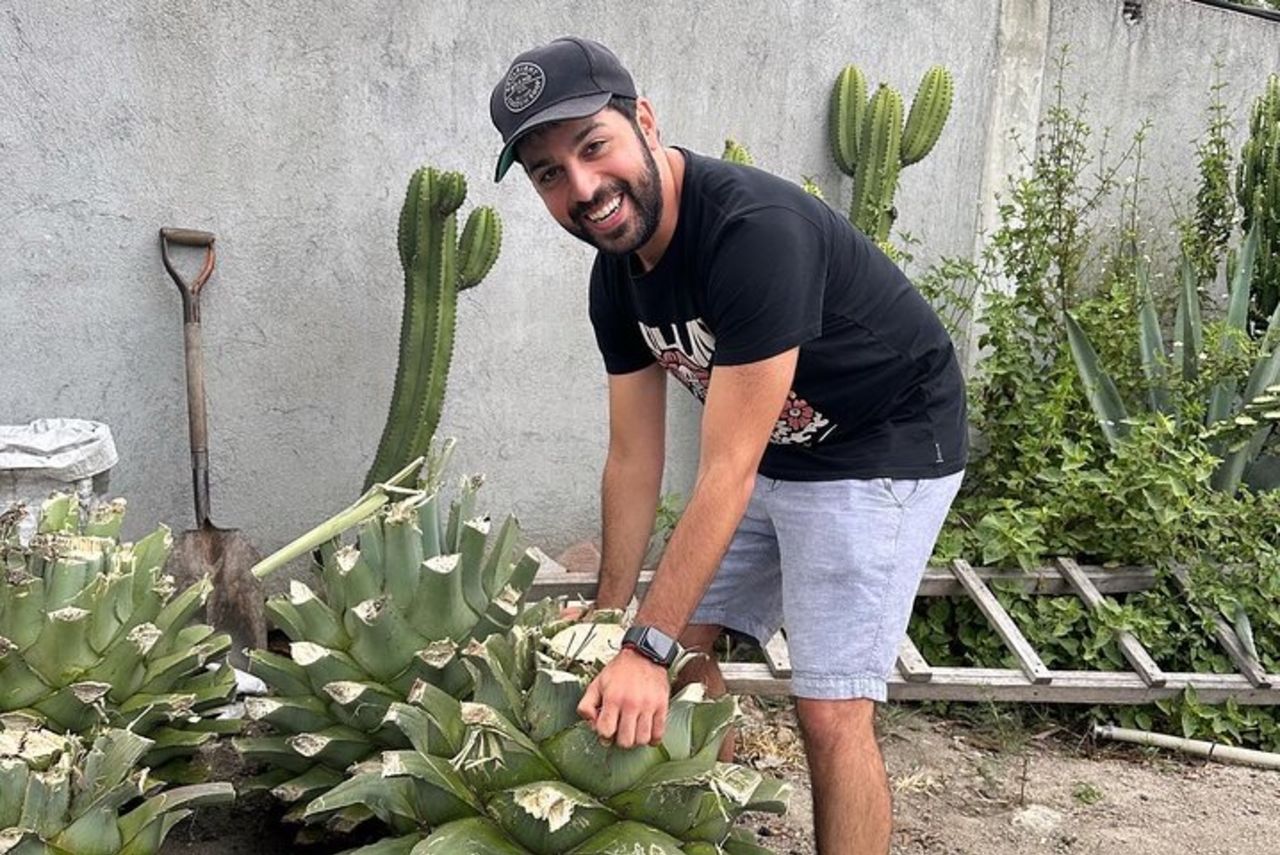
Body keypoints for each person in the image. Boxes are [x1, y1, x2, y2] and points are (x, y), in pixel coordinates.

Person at [489, 36, 967, 855]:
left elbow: (727, 470)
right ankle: (715, 823)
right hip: (779, 445)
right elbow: (633, 459)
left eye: (593, 146)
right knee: (675, 648)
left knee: (829, 706)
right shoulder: (616, 278)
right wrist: (612, 618)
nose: (584, 188)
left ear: (645, 120)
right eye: (549, 174)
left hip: (882, 441)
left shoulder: (753, 233)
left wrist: (644, 646)